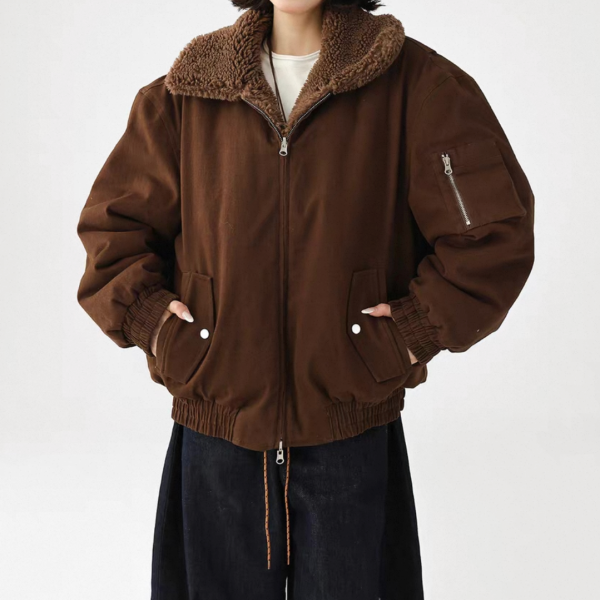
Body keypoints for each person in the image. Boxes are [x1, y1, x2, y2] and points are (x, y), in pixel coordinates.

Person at [75, 0, 535, 598]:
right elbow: (113, 234)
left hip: (350, 435)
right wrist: (156, 325)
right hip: (217, 438)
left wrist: (410, 332)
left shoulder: (415, 84)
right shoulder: (186, 93)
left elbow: (492, 237)